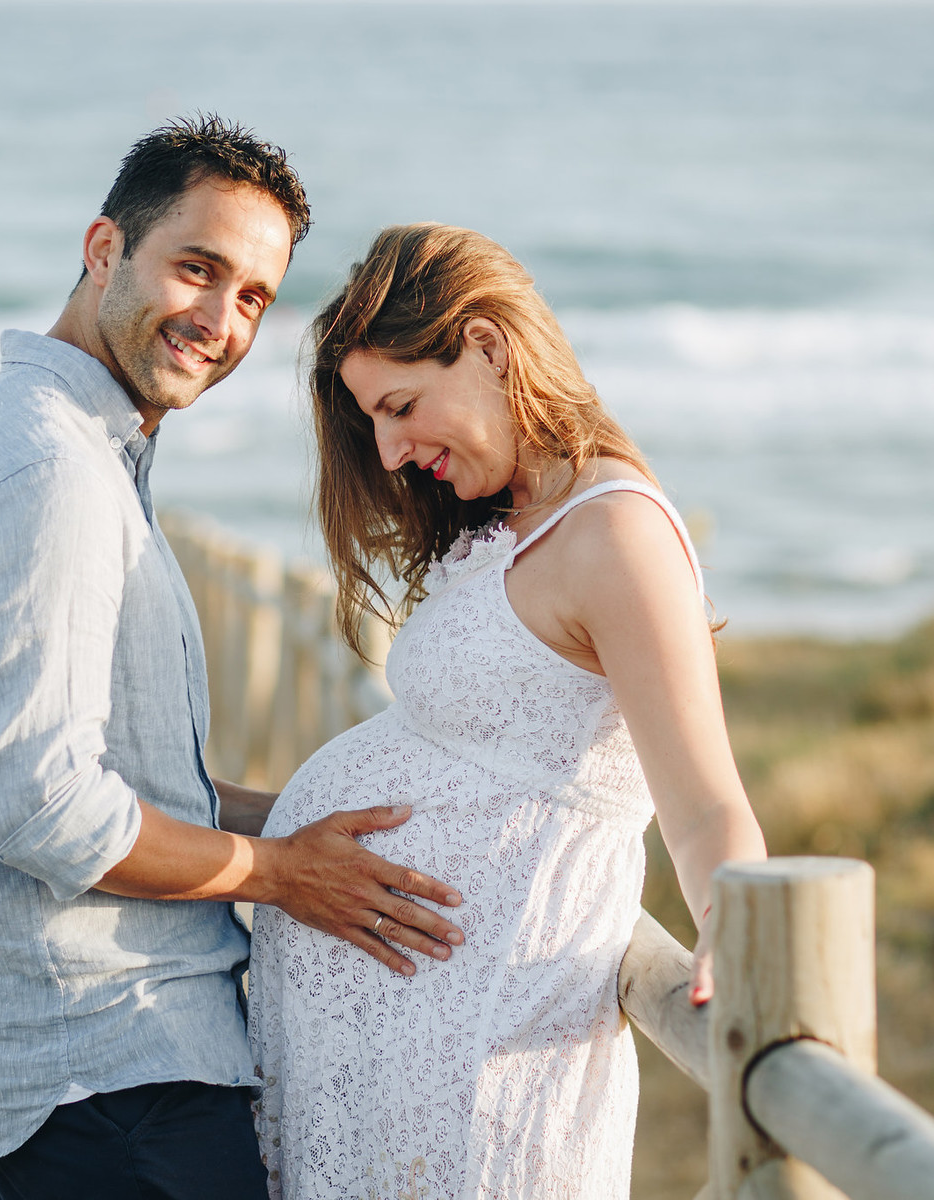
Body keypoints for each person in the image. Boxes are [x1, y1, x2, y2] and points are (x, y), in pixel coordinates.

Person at [0, 119, 465, 1200]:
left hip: (108, 1067)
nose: (220, 319)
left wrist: (297, 814)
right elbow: (38, 805)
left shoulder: (59, 443)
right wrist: (285, 877)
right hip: (109, 1072)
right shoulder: (51, 473)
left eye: (253, 295)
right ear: (104, 248)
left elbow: (130, 780)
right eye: (196, 269)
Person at [247, 223, 770, 1198]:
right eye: (375, 423)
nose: (393, 452)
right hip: (405, 1064)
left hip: (487, 1061)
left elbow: (702, 803)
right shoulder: (504, 522)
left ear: (487, 345)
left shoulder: (614, 534)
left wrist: (738, 933)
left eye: (400, 407)